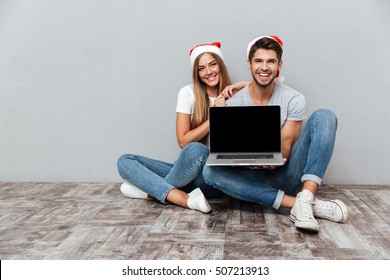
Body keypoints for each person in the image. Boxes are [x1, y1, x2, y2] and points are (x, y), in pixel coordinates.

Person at [203, 36, 348, 232]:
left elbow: (286, 145)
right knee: (210, 171)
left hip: (285, 174)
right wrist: (243, 160)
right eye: (258, 61)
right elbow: (223, 151)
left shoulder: (293, 99)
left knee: (325, 116)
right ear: (249, 64)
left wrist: (276, 157)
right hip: (250, 181)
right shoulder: (232, 103)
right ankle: (303, 205)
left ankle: (306, 196)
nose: (264, 67)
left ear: (279, 65)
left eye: (271, 61)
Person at [117, 42, 246, 213]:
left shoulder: (236, 96)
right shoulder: (188, 93)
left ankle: (151, 193)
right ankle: (185, 198)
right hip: (186, 170)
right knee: (125, 161)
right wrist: (215, 115)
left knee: (199, 151)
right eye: (201, 68)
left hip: (212, 176)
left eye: (213, 64)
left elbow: (264, 85)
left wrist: (241, 87)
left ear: (221, 65)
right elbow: (183, 141)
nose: (208, 72)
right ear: (197, 73)